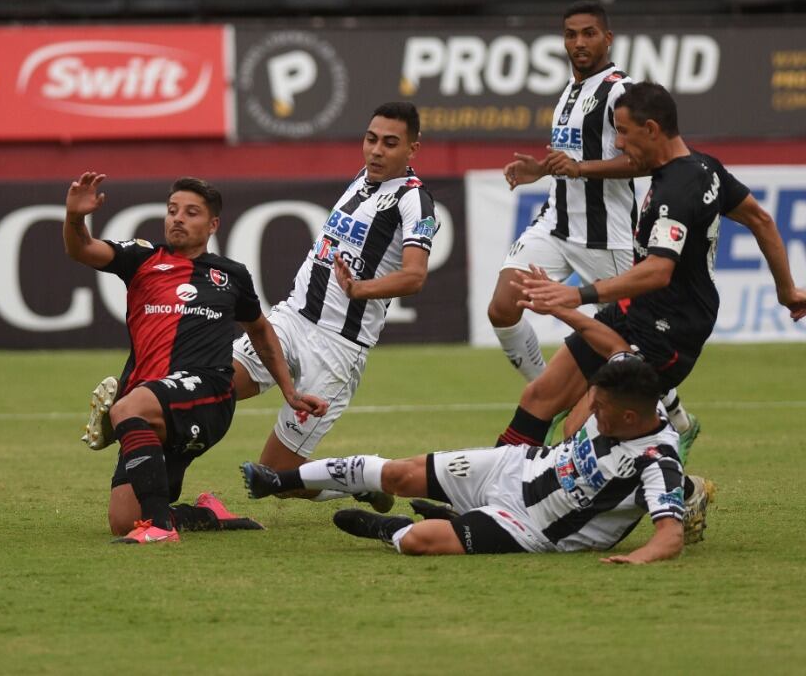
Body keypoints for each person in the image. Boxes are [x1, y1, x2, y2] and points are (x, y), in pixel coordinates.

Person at [81, 103, 437, 512]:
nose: (376, 151)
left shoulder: (414, 202)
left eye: (390, 144)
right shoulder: (363, 180)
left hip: (337, 348)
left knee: (277, 478)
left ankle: (362, 479)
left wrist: (359, 289)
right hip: (290, 321)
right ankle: (152, 468)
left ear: (413, 148)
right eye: (371, 139)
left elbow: (415, 276)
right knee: (205, 390)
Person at [497, 82, 806, 456]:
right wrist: (786, 291)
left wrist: (576, 295)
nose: (620, 144)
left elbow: (659, 271)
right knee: (539, 395)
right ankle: (494, 493)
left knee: (575, 438)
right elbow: (760, 218)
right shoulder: (705, 167)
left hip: (669, 334)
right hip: (633, 313)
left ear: (652, 130)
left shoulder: (674, 193)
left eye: (623, 133)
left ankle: (681, 490)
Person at [64, 173, 325, 544]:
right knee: (123, 521)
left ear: (212, 224)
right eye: (172, 211)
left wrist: (290, 391)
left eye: (191, 212)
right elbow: (82, 250)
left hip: (208, 392)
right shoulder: (141, 258)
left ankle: (160, 528)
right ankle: (205, 514)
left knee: (126, 408)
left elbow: (262, 332)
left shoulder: (231, 275)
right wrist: (75, 218)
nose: (178, 219)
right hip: (153, 400)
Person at [242, 356, 687, 564]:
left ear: (631, 416)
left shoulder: (657, 461)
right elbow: (616, 351)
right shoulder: (627, 385)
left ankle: (388, 527)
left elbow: (670, 536)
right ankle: (277, 481)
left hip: (530, 527)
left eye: (601, 407)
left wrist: (639, 559)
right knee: (398, 473)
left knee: (420, 542)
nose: (593, 409)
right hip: (517, 465)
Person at [488, 1, 639, 388]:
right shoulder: (570, 91)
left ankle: (675, 418)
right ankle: (547, 390)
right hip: (557, 224)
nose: (579, 42)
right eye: (571, 34)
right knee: (504, 307)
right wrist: (540, 169)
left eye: (589, 33)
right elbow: (574, 157)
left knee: (632, 347)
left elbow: (645, 161)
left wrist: (580, 169)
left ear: (608, 38)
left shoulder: (622, 91)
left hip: (609, 235)